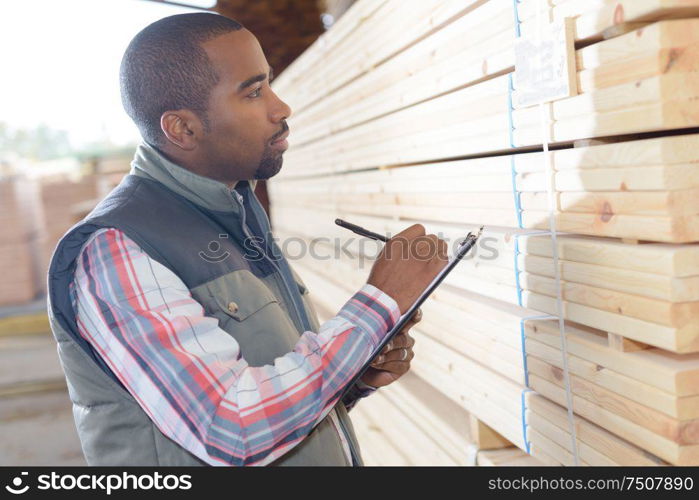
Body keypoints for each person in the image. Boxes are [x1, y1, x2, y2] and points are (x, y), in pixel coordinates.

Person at [47, 12, 448, 466]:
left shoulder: (235, 216)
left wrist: (356, 373)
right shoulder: (118, 250)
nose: (281, 108)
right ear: (182, 128)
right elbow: (230, 430)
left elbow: (261, 381)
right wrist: (380, 302)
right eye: (254, 92)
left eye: (270, 85)